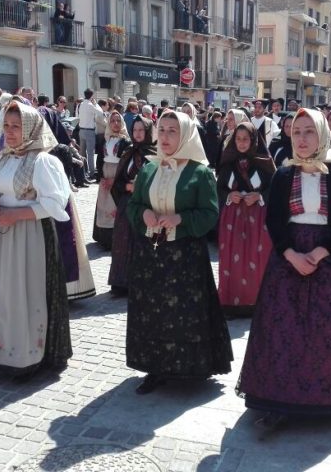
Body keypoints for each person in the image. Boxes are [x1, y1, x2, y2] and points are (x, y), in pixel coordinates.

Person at [236, 107, 331, 427]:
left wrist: (319, 253)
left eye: (309, 132)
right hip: (286, 261)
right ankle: (280, 399)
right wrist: (290, 254)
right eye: (297, 132)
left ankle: (329, 400)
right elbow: (274, 220)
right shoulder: (283, 173)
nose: (302, 139)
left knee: (328, 331)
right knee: (284, 330)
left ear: (322, 134)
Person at [126, 110, 233, 394]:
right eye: (162, 130)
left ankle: (188, 368)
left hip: (185, 257)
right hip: (151, 255)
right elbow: (132, 205)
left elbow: (210, 213)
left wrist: (180, 219)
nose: (165, 136)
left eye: (173, 131)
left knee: (184, 312)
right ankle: (155, 367)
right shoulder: (149, 168)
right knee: (152, 311)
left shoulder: (199, 172)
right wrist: (145, 213)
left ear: (185, 134)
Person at [0, 100, 72, 379]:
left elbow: (56, 205)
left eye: (17, 126)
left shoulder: (43, 161)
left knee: (27, 293)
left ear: (30, 128)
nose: (11, 132)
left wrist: (15, 216)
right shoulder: (1, 158)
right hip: (2, 237)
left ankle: (30, 355)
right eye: (7, 125)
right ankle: (0, 352)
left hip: (32, 236)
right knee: (1, 293)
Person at [216, 122, 275, 318]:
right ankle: (230, 304)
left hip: (257, 218)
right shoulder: (227, 162)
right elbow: (220, 187)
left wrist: (259, 197)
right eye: (238, 139)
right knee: (231, 258)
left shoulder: (264, 163)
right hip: (232, 217)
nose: (242, 143)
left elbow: (274, 188)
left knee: (255, 258)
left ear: (253, 140)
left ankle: (254, 304)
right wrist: (228, 196)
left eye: (246, 139)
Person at [108, 116, 156, 295]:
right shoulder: (128, 151)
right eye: (134, 130)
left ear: (148, 131)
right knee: (122, 242)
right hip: (127, 204)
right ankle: (120, 282)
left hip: (146, 206)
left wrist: (141, 188)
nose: (137, 134)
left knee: (141, 242)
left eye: (141, 130)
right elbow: (119, 181)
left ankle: (139, 281)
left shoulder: (155, 154)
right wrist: (127, 186)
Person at [93, 110, 130, 250]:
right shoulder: (105, 139)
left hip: (118, 174)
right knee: (104, 205)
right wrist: (101, 176)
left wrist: (115, 179)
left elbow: (126, 164)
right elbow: (100, 158)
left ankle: (117, 240)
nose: (115, 124)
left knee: (115, 206)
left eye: (118, 121)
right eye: (113, 121)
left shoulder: (126, 141)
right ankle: (104, 238)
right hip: (105, 174)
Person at [78, 89, 104, 180]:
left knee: (82, 153)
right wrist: (96, 104)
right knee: (90, 153)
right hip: (89, 131)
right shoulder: (90, 105)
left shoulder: (80, 104)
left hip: (81, 130)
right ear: (92, 95)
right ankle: (91, 172)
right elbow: (100, 113)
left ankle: (82, 171)